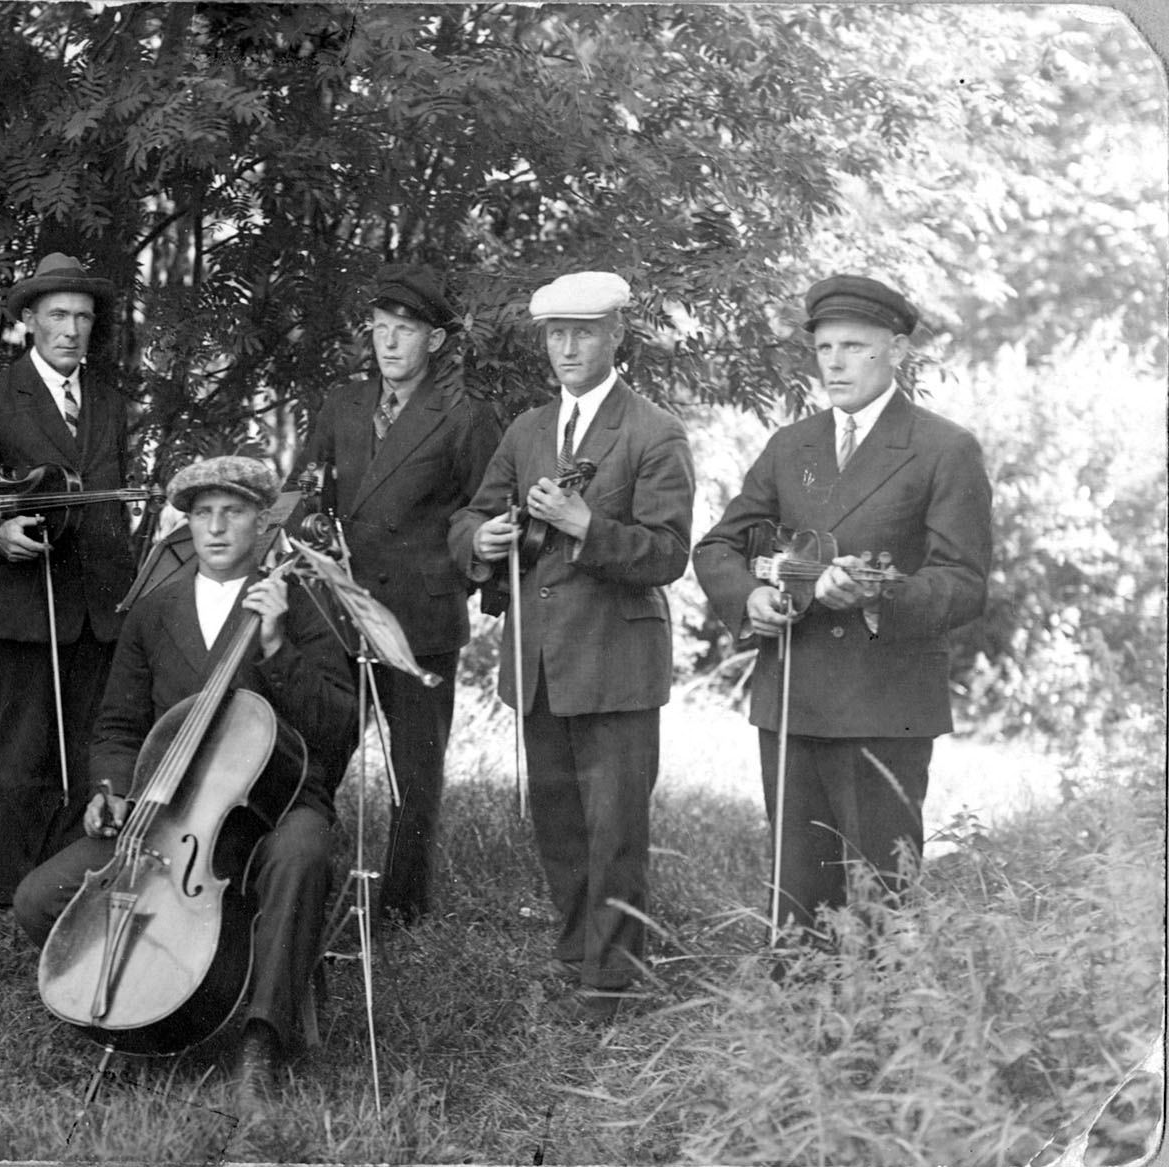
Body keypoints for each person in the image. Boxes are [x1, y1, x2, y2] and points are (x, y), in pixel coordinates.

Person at [13, 455, 357, 1098]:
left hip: (279, 797)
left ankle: (261, 1040)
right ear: (187, 523)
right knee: (39, 899)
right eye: (203, 514)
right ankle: (147, 1003)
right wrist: (110, 790)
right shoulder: (155, 610)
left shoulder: (300, 601)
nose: (217, 528)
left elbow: (341, 725)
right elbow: (117, 724)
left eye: (233, 513)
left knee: (302, 857)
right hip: (170, 809)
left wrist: (278, 645)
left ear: (261, 523)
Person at [692, 274, 991, 947]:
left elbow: (964, 583)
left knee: (881, 904)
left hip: (884, 706)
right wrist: (752, 597)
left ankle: (882, 1042)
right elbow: (717, 545)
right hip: (792, 698)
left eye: (854, 346)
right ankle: (803, 1038)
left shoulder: (944, 448)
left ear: (898, 350)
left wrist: (879, 593)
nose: (834, 362)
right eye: (824, 347)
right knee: (796, 905)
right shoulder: (790, 445)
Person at [447, 271, 694, 1025]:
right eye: (556, 334)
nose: (568, 348)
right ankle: (574, 956)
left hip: (617, 663)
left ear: (616, 336)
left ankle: (611, 983)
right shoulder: (527, 430)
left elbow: (668, 553)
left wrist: (588, 525)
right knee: (557, 822)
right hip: (540, 663)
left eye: (584, 332)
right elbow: (471, 518)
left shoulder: (655, 431)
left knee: (615, 828)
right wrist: (482, 541)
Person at [287, 263, 501, 924]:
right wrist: (301, 526)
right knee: (313, 755)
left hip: (421, 622)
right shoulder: (341, 404)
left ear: (434, 341)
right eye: (380, 329)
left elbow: (483, 515)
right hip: (340, 613)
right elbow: (301, 489)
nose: (388, 343)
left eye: (404, 331)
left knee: (416, 774)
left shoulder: (466, 417)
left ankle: (401, 908)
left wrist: (453, 580)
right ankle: (295, 882)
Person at [0, 253, 136, 910]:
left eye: (82, 316)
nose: (71, 328)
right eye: (57, 315)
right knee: (23, 763)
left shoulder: (108, 401)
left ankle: (74, 899)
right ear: (28, 321)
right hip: (23, 610)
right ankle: (9, 905)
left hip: (103, 611)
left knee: (91, 760)